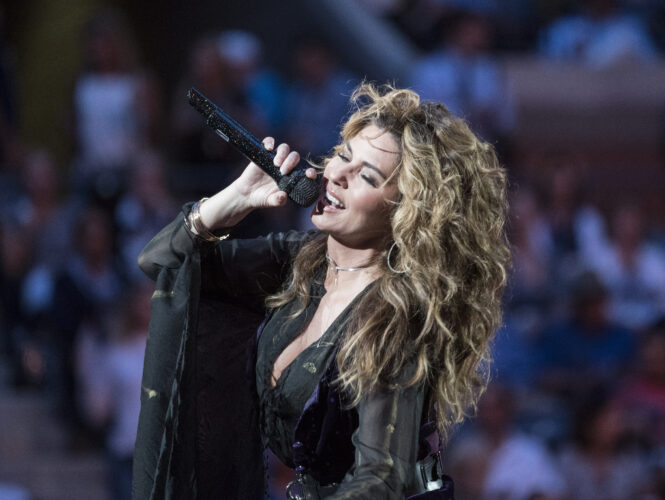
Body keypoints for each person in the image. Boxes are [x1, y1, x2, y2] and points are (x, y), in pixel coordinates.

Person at [133, 83, 510, 499]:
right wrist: (236, 198)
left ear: (406, 212)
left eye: (366, 176)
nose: (338, 176)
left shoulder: (395, 319)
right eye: (343, 156)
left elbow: (381, 479)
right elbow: (162, 264)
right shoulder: (302, 260)